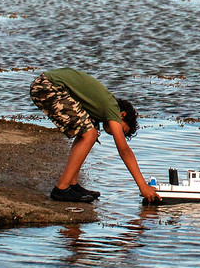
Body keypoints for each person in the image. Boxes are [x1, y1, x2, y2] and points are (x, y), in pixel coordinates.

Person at [29, 68, 159, 204]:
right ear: (122, 115)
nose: (117, 133)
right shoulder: (112, 107)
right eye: (122, 130)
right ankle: (61, 188)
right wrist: (142, 186)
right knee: (89, 134)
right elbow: (124, 150)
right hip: (47, 86)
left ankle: (72, 184)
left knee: (88, 131)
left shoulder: (99, 107)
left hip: (47, 85)